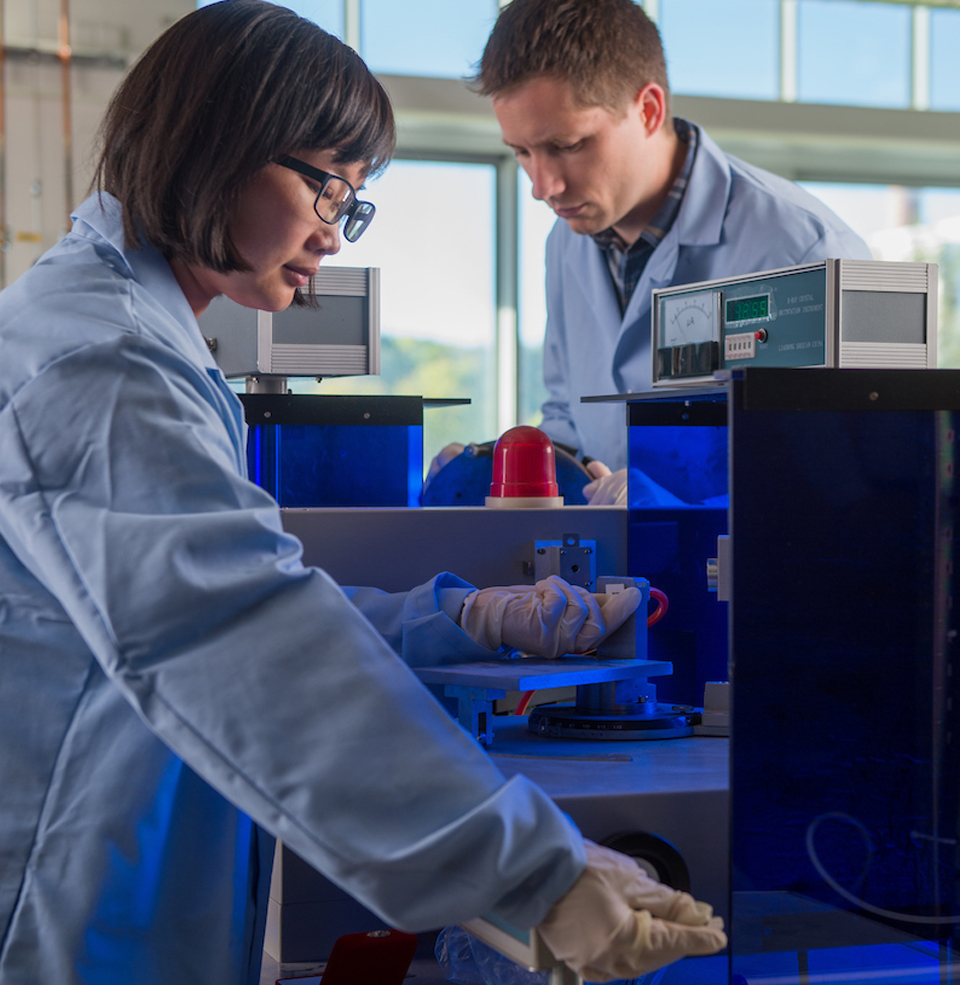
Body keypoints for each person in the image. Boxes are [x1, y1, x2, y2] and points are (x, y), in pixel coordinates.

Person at [0, 3, 726, 983]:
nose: (333, 236)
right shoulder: (105, 359)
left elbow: (218, 596)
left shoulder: (132, 327)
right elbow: (237, 635)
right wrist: (531, 869)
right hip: (71, 898)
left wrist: (458, 614)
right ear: (217, 146)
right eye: (328, 189)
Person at [463, 0, 873, 500]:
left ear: (649, 109)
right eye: (522, 153)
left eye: (567, 145)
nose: (543, 186)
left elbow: (850, 482)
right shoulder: (565, 244)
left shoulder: (804, 250)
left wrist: (688, 509)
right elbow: (567, 417)